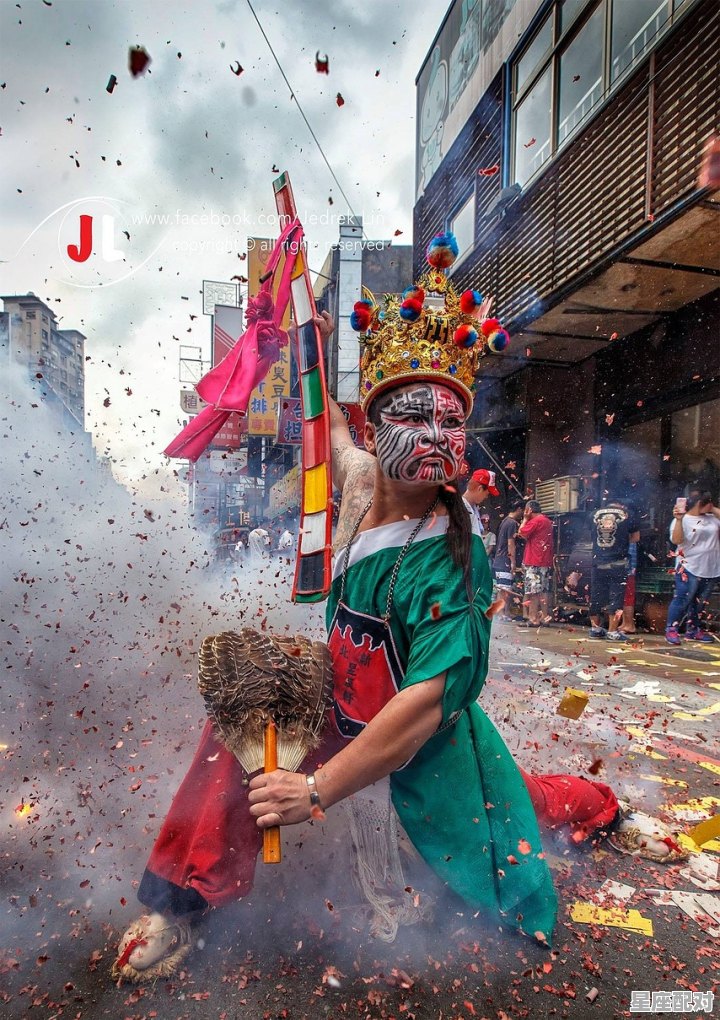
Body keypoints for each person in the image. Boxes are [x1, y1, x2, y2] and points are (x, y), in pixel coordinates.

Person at [113, 257, 679, 983]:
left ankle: (606, 808)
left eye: (452, 420)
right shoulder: (356, 484)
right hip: (339, 709)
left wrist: (312, 791)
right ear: (377, 426)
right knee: (239, 725)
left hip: (423, 746)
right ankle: (182, 905)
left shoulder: (454, 554)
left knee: (528, 812)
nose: (436, 435)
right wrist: (309, 347)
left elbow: (428, 701)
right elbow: (338, 446)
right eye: (412, 415)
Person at [665, 491, 720, 645]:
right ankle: (671, 628)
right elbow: (677, 540)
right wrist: (678, 520)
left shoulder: (712, 518)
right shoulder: (684, 520)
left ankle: (693, 629)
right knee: (682, 599)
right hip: (689, 566)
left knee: (699, 602)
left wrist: (713, 509)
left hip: (711, 566)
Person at [588, 499, 640, 641]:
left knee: (596, 595)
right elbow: (636, 538)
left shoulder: (594, 514)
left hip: (597, 561)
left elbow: (591, 534)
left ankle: (595, 629)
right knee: (616, 596)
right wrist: (621, 540)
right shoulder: (627, 514)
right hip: (617, 562)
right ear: (621, 505)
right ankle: (612, 631)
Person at [517, 500, 554, 626]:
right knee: (543, 590)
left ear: (530, 510)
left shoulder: (535, 521)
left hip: (534, 560)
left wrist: (525, 519)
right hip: (544, 560)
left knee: (533, 591)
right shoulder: (546, 521)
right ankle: (545, 617)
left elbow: (521, 532)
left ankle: (533, 618)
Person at [493, 501, 524, 619]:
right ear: (519, 509)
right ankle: (501, 613)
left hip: (500, 559)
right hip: (504, 559)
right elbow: (511, 543)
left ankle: (505, 612)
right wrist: (513, 561)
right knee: (504, 589)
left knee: (505, 587)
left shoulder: (505, 521)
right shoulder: (511, 523)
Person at [462, 468, 499, 532]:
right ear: (480, 489)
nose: (486, 497)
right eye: (487, 494)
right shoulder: (459, 508)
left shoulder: (473, 508)